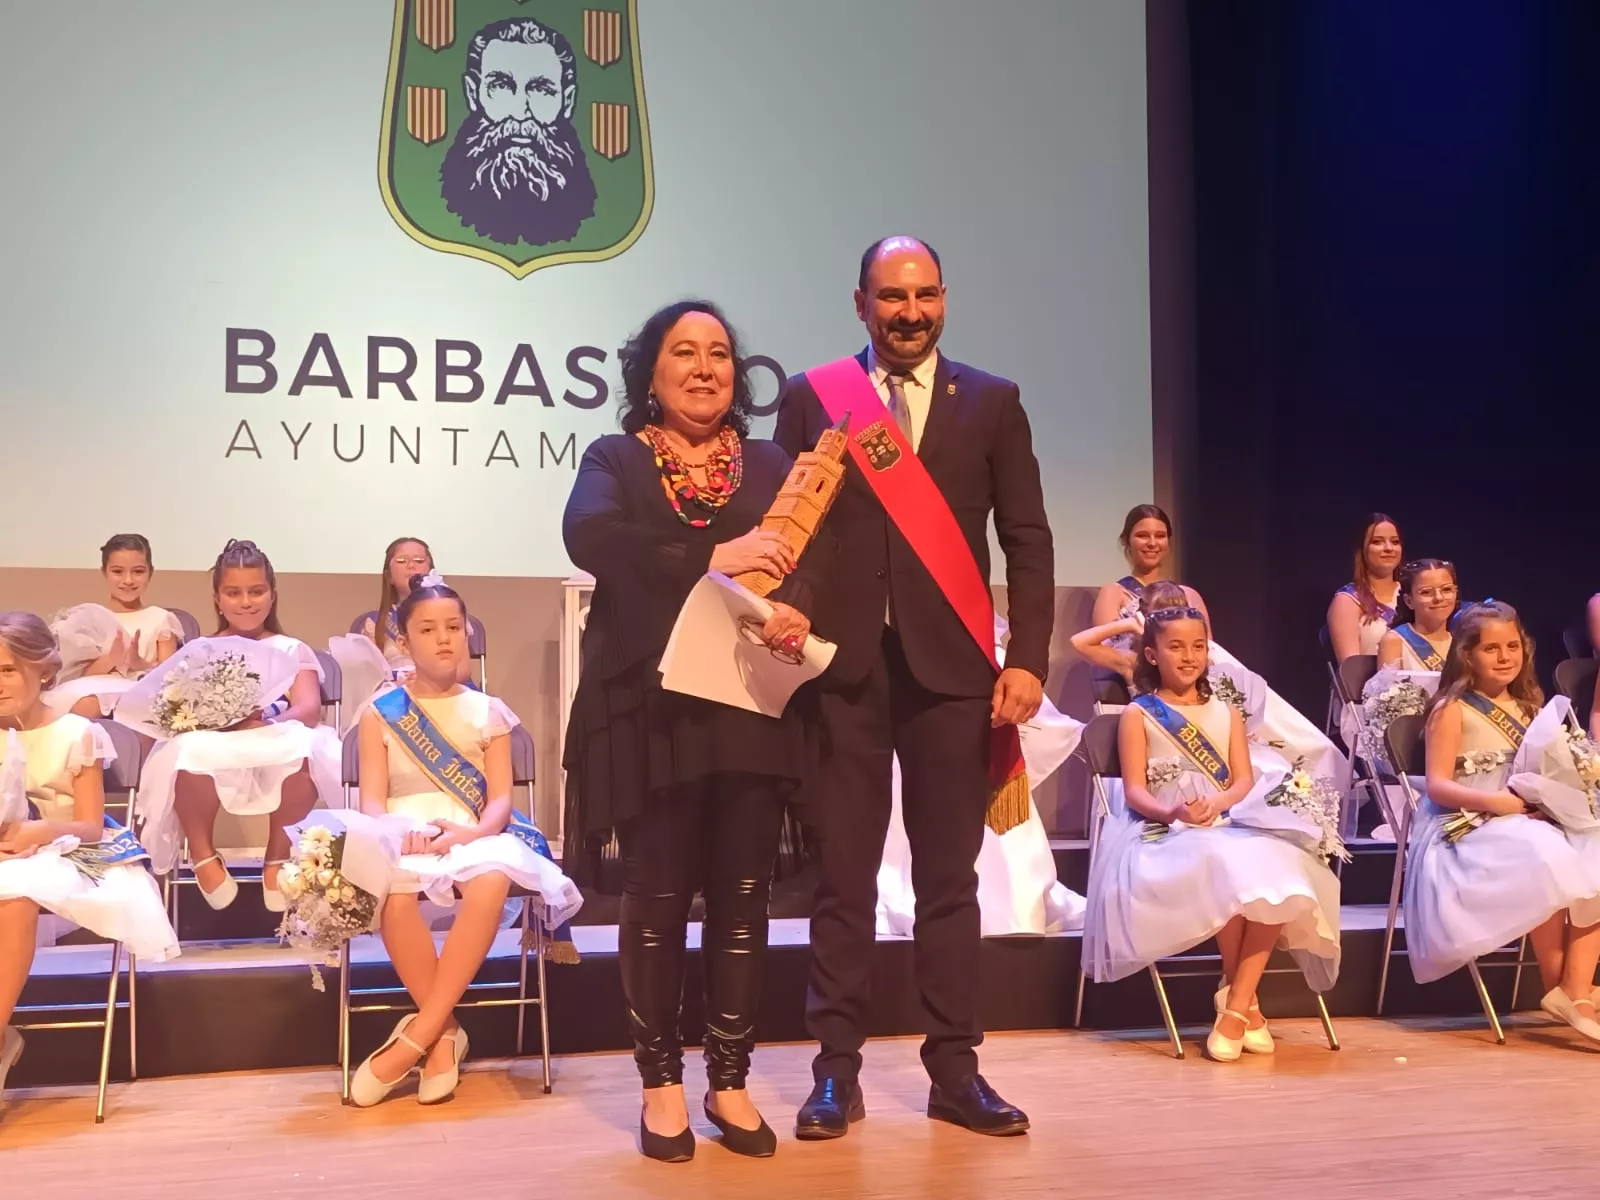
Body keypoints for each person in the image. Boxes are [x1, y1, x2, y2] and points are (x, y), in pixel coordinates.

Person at [775, 236, 1052, 1139]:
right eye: (892, 297)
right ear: (860, 303)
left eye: (925, 295)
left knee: (948, 881)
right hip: (843, 672)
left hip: (954, 674)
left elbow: (1028, 538)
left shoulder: (996, 402)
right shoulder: (816, 396)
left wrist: (1029, 659)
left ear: (945, 300)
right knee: (843, 881)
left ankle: (955, 1071)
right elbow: (792, 530)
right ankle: (835, 1073)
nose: (910, 312)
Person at [563, 299, 819, 1162]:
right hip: (651, 709)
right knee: (657, 903)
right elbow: (589, 534)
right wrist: (709, 561)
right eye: (685, 352)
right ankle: (662, 1085)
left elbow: (808, 562)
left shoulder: (774, 462)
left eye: (719, 353)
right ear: (651, 371)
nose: (706, 367)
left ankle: (732, 1081)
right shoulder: (615, 458)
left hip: (747, 702)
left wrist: (793, 610)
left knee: (744, 906)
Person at [347, 574, 582, 1107]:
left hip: (474, 830)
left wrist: (472, 832)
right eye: (428, 629)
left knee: (493, 875)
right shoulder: (379, 713)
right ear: (404, 642)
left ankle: (414, 1040)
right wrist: (397, 833)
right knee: (395, 892)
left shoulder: (488, 711)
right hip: (404, 835)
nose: (445, 638)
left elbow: (499, 800)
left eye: (454, 626)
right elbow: (372, 802)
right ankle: (443, 1033)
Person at [1081, 605, 1341, 1061]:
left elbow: (1241, 780)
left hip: (1226, 821)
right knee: (1231, 867)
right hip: (1164, 831)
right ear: (1152, 653)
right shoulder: (1139, 715)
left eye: (1198, 646)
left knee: (1281, 865)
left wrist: (1219, 803)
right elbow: (1136, 792)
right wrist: (1174, 811)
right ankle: (1246, 1007)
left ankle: (1236, 1003)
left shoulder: (1227, 713)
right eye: (1176, 647)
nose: (1189, 656)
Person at [0, 611, 180, 1098]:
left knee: (14, 898)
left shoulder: (75, 734)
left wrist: (39, 830)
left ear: (44, 669)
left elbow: (90, 825)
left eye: (8, 670)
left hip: (67, 851)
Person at [1402, 601, 1600, 1041]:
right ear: (1466, 654)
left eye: (1513, 646)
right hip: (1465, 827)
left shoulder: (1531, 707)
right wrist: (1498, 803)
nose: (1505, 656)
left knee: (1594, 853)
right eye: (1491, 648)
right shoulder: (1452, 709)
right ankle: (1566, 991)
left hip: (1525, 819)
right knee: (1542, 854)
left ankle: (1574, 988)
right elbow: (1436, 787)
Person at [133, 540, 340, 910]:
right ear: (217, 598)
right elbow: (180, 705)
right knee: (186, 750)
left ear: (272, 595)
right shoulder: (200, 648)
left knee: (303, 745)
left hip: (271, 735)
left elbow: (308, 709)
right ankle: (202, 855)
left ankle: (277, 856)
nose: (246, 601)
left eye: (256, 591)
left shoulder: (292, 648)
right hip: (217, 741)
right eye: (234, 592)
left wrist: (265, 720)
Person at [46, 534, 184, 719]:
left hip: (139, 694)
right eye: (118, 571)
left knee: (88, 705)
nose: (128, 580)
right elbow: (81, 676)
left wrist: (139, 664)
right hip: (90, 690)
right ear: (105, 572)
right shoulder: (91, 619)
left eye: (138, 571)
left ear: (150, 572)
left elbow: (170, 677)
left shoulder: (160, 618)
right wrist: (112, 658)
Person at [1078, 505, 1210, 683]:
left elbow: (1208, 653)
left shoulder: (1189, 595)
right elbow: (1103, 651)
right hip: (1137, 688)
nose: (1152, 543)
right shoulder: (1115, 593)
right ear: (1126, 541)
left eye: (1160, 536)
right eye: (1142, 536)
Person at [1327, 514, 1403, 661]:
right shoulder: (1348, 600)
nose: (1389, 548)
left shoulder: (1413, 595)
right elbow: (1351, 671)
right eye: (1377, 542)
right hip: (1370, 683)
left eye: (1395, 542)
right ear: (1362, 548)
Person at [1377, 559, 1457, 670]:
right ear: (1409, 601)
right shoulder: (1395, 641)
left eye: (1446, 589)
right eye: (1426, 592)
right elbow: (1387, 687)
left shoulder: (1460, 642)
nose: (1439, 597)